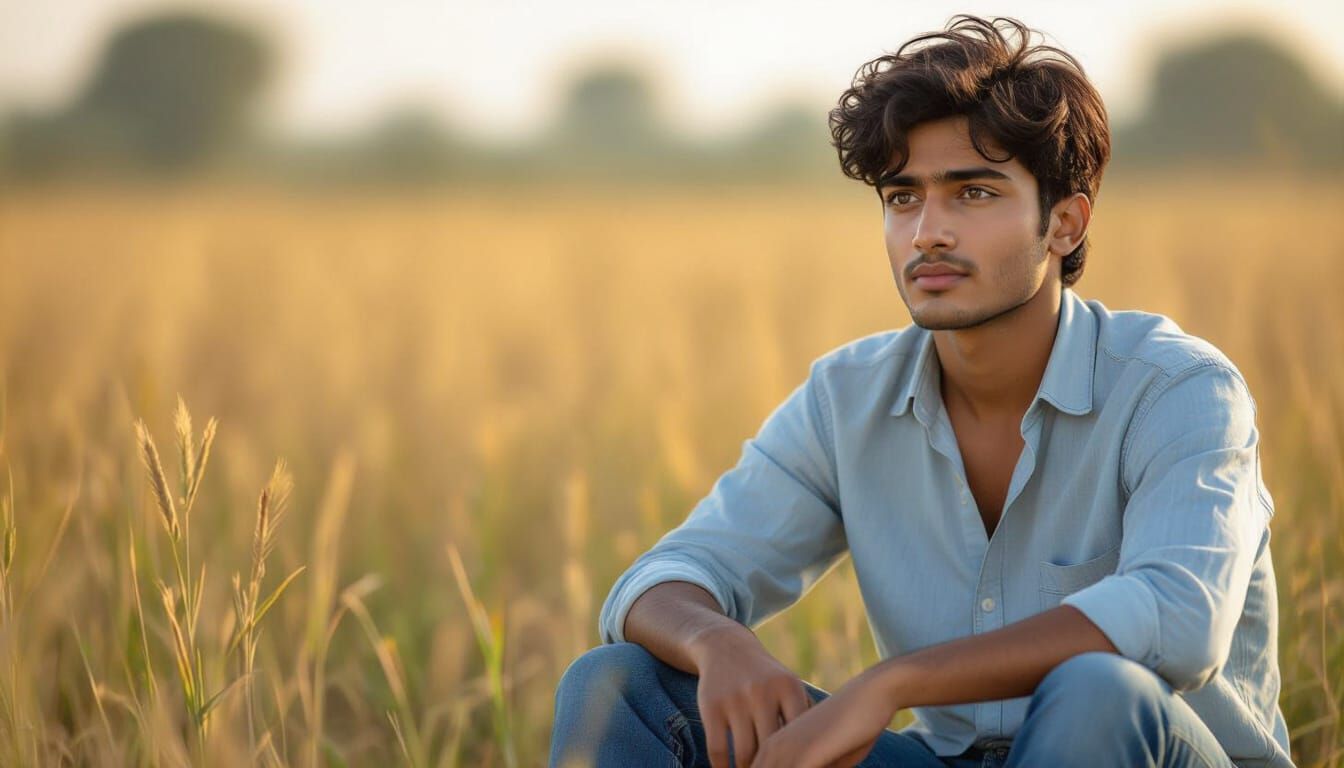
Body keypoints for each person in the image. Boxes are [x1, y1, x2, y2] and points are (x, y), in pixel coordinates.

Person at [549, 14, 1294, 768]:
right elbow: (660, 581)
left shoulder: (1179, 388)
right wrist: (717, 641)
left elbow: (1180, 618)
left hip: (1150, 749)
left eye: (972, 193)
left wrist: (892, 684)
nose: (927, 232)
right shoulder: (847, 399)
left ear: (1065, 224)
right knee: (618, 684)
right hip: (943, 761)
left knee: (1099, 690)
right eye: (903, 197)